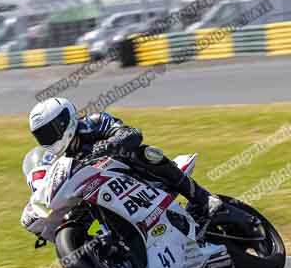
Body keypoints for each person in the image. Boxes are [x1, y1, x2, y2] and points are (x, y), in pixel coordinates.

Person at [24, 97, 222, 228]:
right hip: (94, 192)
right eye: (42, 136)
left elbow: (132, 134)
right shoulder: (55, 159)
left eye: (50, 131)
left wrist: (110, 145)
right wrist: (35, 208)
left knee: (145, 153)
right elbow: (45, 182)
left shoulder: (94, 122)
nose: (47, 139)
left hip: (130, 176)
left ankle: (203, 198)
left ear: (64, 122)